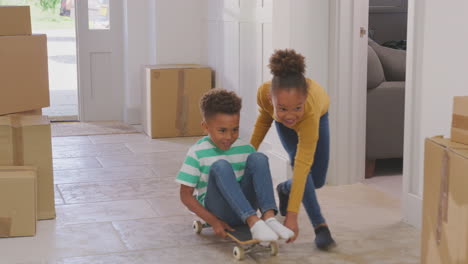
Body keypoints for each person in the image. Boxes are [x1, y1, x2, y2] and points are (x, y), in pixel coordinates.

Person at [176, 89, 294, 242]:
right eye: (222, 131)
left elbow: (257, 182)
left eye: (235, 130)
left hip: (245, 206)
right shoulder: (197, 153)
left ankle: (269, 218)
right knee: (221, 166)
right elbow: (185, 196)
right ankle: (253, 221)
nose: (229, 137)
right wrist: (213, 221)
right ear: (205, 127)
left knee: (258, 158)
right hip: (219, 210)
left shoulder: (245, 149)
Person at [250, 49, 335, 249]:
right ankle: (320, 227)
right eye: (283, 108)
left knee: (318, 179)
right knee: (301, 170)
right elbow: (264, 121)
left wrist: (292, 215)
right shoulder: (264, 93)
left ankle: (284, 188)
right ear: (272, 100)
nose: (290, 115)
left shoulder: (310, 111)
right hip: (282, 125)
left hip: (317, 118)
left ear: (305, 99)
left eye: (297, 107)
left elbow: (304, 165)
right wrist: (248, 152)